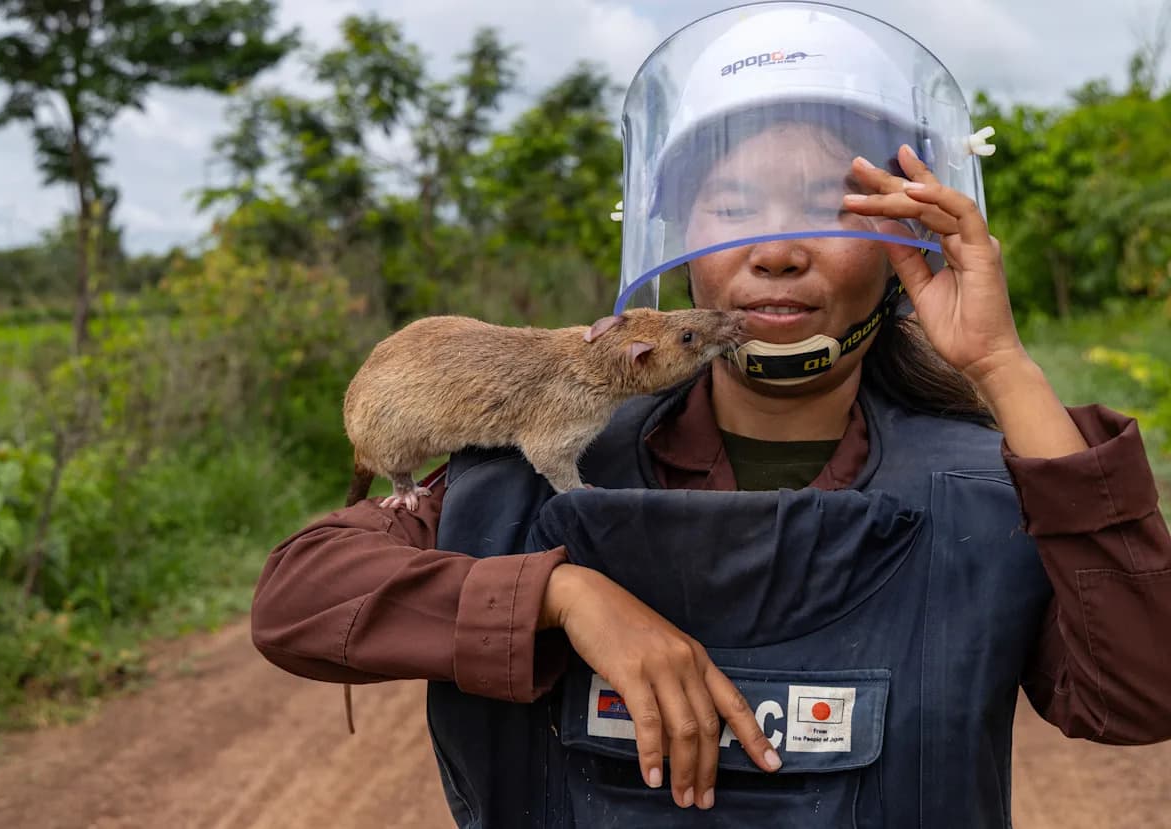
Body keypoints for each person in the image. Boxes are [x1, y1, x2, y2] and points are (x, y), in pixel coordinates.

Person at [250, 3, 1171, 827]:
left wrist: (1001, 367)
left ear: (906, 235)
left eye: (829, 205)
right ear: (679, 239)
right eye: (732, 206)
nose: (775, 250)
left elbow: (1142, 692)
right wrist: (561, 596)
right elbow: (298, 599)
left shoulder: (987, 486)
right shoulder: (535, 459)